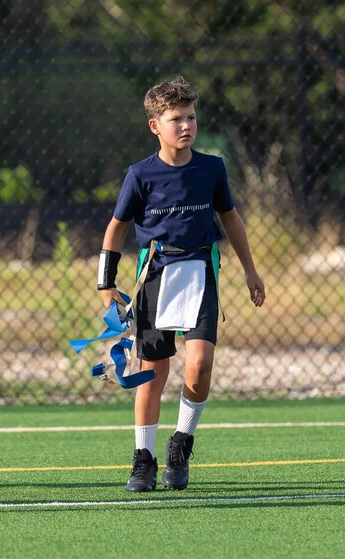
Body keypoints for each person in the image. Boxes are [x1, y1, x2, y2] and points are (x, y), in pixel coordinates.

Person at [98, 75, 265, 493]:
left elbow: (230, 218)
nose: (186, 125)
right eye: (176, 119)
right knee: (153, 374)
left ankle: (181, 443)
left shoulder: (211, 167)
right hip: (155, 278)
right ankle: (143, 460)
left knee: (200, 364)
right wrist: (107, 283)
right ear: (155, 125)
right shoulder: (140, 175)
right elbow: (116, 228)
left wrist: (250, 270)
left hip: (200, 274)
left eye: (191, 117)